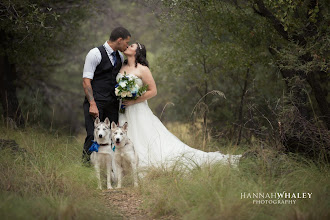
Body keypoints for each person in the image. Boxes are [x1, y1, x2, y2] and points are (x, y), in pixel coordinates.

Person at [117, 43, 241, 169]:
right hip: (122, 109)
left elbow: (153, 91)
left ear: (138, 52)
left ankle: (140, 164)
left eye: (131, 46)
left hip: (137, 109)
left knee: (141, 137)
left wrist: (134, 100)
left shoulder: (143, 69)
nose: (127, 46)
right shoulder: (121, 65)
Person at [82, 27, 131, 163]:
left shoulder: (119, 56)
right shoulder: (95, 53)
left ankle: (110, 169)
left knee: (112, 136)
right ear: (119, 40)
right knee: (94, 134)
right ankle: (87, 166)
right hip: (96, 101)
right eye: (126, 42)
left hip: (112, 104)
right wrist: (92, 104)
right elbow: (86, 81)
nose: (127, 46)